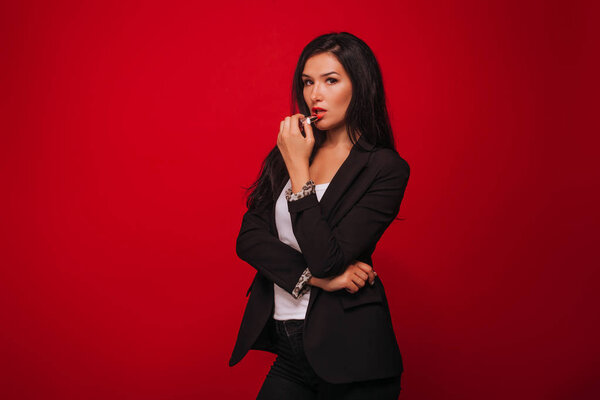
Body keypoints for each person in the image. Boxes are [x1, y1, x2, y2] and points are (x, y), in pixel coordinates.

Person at [229, 32, 410, 399]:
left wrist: (299, 171)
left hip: (354, 356)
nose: (315, 95)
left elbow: (327, 257)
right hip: (290, 350)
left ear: (360, 86)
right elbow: (248, 240)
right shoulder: (291, 150)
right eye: (308, 82)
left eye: (331, 80)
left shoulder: (384, 168)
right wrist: (315, 280)